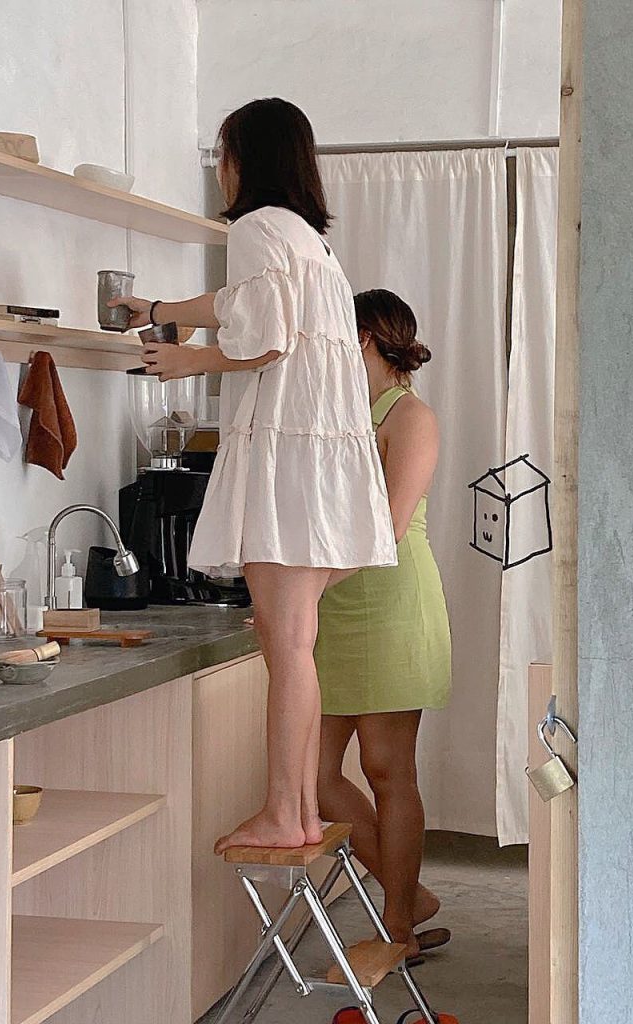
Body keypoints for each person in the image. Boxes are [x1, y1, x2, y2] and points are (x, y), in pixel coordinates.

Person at [111, 100, 397, 852]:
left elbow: (262, 338)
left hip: (287, 463)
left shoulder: (251, 228)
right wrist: (163, 308)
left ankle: (286, 811)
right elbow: (248, 308)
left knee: (286, 646)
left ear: (247, 158)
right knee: (295, 643)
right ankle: (298, 809)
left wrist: (188, 358)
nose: (219, 169)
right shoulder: (309, 243)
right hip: (320, 466)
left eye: (223, 153)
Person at [314, 289, 452, 957]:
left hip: (393, 603)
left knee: (387, 768)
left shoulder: (412, 416)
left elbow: (389, 529)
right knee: (312, 777)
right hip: (337, 605)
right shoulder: (347, 414)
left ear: (365, 337)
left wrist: (300, 590)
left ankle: (398, 920)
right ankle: (410, 891)